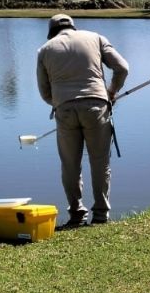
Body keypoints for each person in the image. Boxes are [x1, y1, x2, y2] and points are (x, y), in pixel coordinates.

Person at [37, 14, 129, 226]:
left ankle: (77, 215)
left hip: (64, 110)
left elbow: (44, 92)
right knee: (100, 162)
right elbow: (122, 68)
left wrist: (60, 103)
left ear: (51, 32)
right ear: (73, 27)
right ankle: (100, 215)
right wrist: (111, 92)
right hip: (97, 105)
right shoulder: (96, 38)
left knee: (70, 165)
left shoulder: (45, 50)